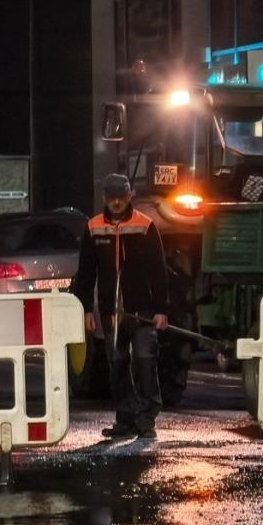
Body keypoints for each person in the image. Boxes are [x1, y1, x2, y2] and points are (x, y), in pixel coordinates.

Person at [71, 173, 169, 441]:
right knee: (117, 365)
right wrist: (86, 311)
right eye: (112, 197)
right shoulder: (93, 228)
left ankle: (147, 418)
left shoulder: (145, 226)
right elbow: (86, 274)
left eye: (121, 197)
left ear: (130, 196)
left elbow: (158, 271)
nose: (116, 202)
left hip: (143, 311)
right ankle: (126, 419)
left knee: (145, 361)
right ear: (105, 197)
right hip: (110, 313)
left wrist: (161, 309)